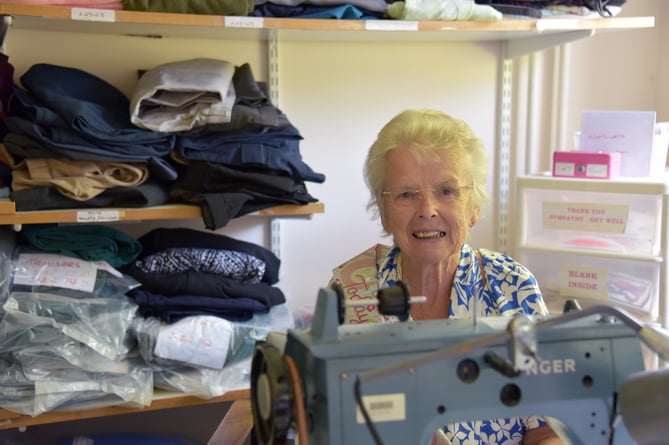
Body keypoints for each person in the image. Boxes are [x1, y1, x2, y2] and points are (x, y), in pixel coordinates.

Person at [329, 109, 564, 445]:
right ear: (383, 213)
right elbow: (331, 422)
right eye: (406, 194)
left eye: (447, 191)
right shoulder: (351, 290)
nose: (427, 210)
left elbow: (546, 427)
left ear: (474, 208)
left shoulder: (513, 288)